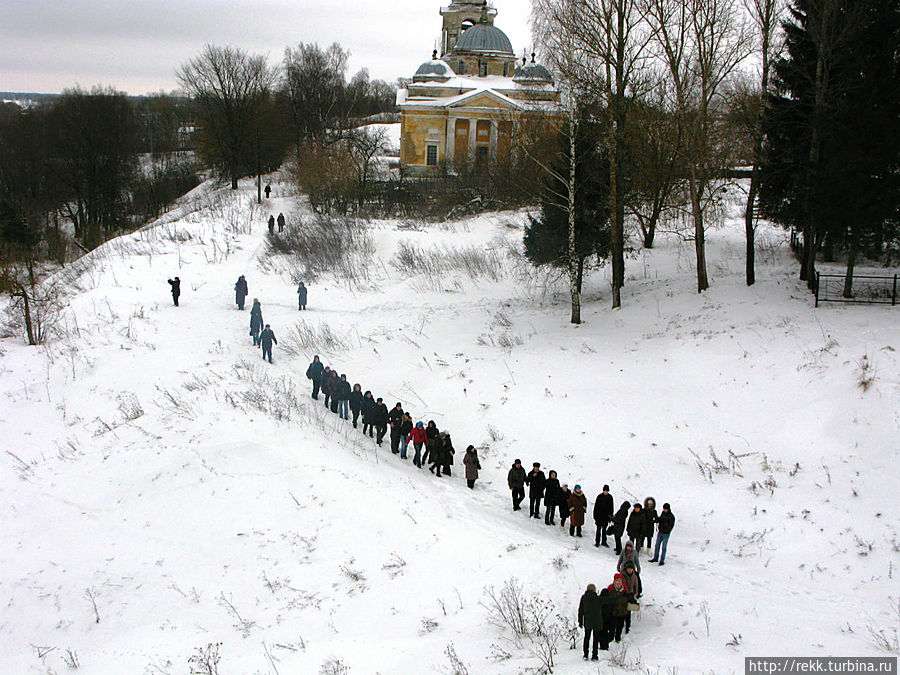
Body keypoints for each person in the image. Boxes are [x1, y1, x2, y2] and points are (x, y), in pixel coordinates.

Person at [578, 583, 606, 660]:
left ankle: (585, 654)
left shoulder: (583, 598)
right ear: (594, 590)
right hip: (597, 622)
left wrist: (580, 621)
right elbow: (609, 600)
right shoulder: (598, 598)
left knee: (587, 637)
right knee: (596, 639)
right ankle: (594, 655)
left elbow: (580, 610)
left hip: (588, 622)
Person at [607, 574, 630, 643]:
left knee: (620, 626)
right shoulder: (610, 589)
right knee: (612, 627)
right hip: (613, 612)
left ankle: (617, 638)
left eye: (619, 582)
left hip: (622, 612)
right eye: (616, 582)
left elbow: (628, 598)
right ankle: (610, 639)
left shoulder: (624, 589)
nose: (618, 584)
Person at [621, 560, 640, 635]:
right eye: (628, 569)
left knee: (628, 611)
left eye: (631, 569)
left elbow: (636, 586)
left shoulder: (634, 576)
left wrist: (636, 594)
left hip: (631, 595)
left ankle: (627, 627)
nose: (630, 570)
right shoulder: (622, 575)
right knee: (623, 610)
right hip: (624, 595)